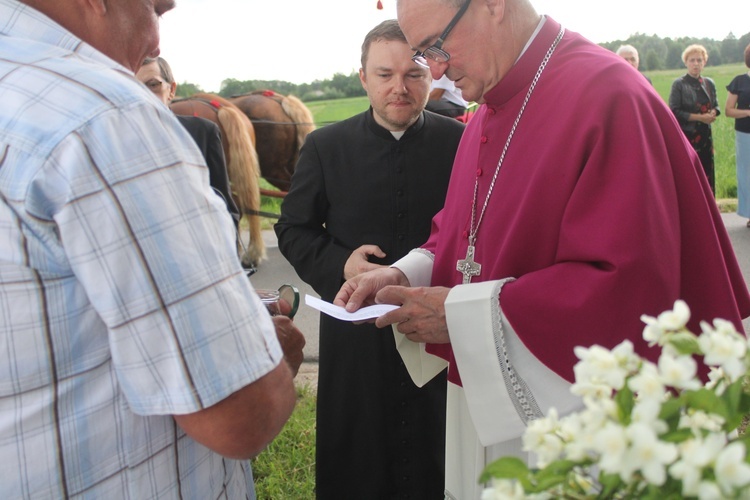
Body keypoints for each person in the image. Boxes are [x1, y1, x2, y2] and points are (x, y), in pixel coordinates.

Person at [333, 0, 750, 498]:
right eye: (427, 55)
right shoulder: (487, 107)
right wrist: (405, 274)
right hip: (490, 402)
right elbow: (465, 233)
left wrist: (462, 317)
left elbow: (629, 283)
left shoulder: (607, 95)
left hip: (571, 418)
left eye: (436, 47)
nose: (438, 72)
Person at [0, 0, 305, 498]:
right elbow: (240, 416)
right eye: (153, 7)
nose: (164, 17)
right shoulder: (108, 115)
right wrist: (272, 354)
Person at [275, 19, 465, 500]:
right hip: (355, 333)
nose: (399, 88)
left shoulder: (460, 144)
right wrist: (342, 264)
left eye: (413, 75)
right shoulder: (324, 146)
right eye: (385, 75)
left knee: (440, 460)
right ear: (363, 77)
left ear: (431, 79)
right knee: (358, 465)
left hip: (438, 330)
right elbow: (293, 230)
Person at [137, 56, 241, 230]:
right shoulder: (111, 141)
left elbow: (225, 206)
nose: (144, 95)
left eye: (153, 85)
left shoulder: (202, 133)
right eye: (134, 86)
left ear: (171, 90)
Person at [669, 44, 721, 195]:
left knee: (707, 173)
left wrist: (713, 113)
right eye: (692, 60)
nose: (696, 64)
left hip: (706, 136)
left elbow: (717, 106)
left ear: (704, 62)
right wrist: (700, 118)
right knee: (689, 174)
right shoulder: (679, 84)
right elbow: (674, 111)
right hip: (687, 136)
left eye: (699, 60)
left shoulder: (709, 83)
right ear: (686, 62)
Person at [725, 43, 750, 228]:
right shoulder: (739, 82)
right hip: (745, 134)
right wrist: (748, 113)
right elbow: (728, 111)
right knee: (747, 174)